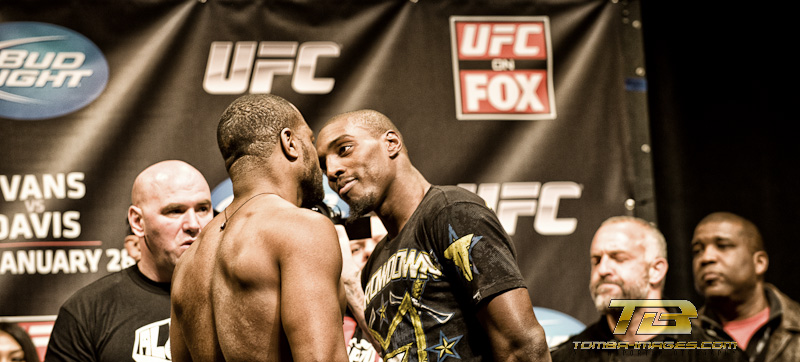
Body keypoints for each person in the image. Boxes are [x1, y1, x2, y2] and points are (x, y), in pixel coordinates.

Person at [316, 109, 550, 361]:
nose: (331, 171)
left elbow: (522, 346)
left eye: (344, 149)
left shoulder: (451, 212)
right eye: (323, 164)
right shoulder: (374, 264)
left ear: (391, 143)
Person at [169, 94, 348, 361]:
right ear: (290, 143)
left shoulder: (188, 263)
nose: (319, 161)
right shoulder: (301, 229)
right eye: (309, 140)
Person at [45, 160, 214, 362]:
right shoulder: (88, 312)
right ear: (137, 222)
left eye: (203, 209)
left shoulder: (241, 293)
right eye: (175, 211)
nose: (194, 225)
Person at [550, 216, 732, 361]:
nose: (602, 270)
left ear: (656, 270)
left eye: (619, 258)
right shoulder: (567, 357)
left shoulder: (713, 355)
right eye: (596, 260)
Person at [692, 211, 800, 362]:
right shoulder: (682, 339)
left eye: (722, 246)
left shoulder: (796, 326)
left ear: (759, 263)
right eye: (697, 251)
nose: (706, 257)